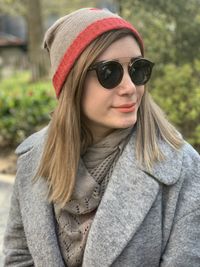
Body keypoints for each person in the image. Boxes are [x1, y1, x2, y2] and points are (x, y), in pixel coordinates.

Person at [3, 7, 200, 267]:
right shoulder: (33, 160)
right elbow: (19, 258)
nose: (130, 88)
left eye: (138, 69)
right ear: (71, 83)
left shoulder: (183, 167)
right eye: (110, 73)